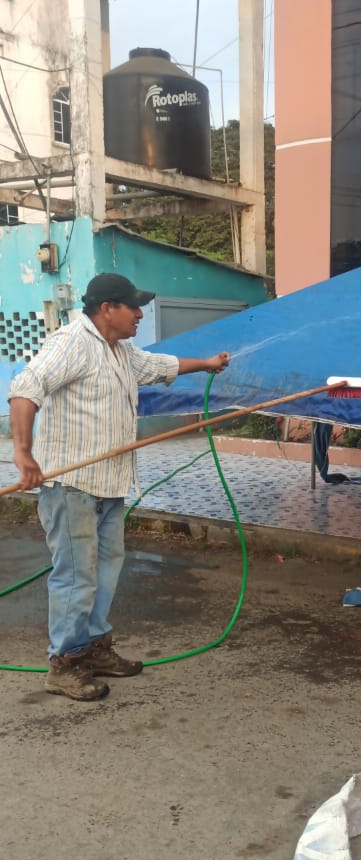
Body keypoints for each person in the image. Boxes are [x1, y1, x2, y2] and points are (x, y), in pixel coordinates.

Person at [8, 272, 230, 701]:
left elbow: (160, 366)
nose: (140, 314)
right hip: (71, 483)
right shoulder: (72, 342)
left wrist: (206, 364)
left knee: (105, 569)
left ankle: (93, 647)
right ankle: (66, 663)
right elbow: (26, 388)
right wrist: (23, 452)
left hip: (109, 483)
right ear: (107, 308)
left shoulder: (121, 350)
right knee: (76, 576)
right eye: (133, 306)